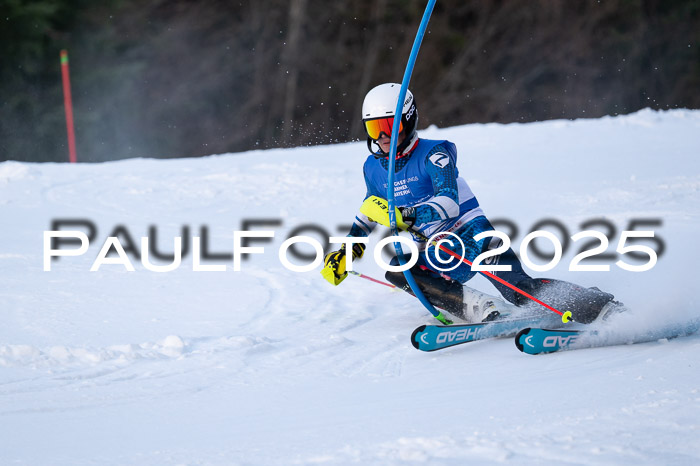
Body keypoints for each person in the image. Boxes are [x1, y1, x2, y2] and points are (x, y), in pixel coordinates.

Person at [321, 83, 620, 324]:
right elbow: (367, 213)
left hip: (473, 239)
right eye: (375, 129)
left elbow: (449, 202)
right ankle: (480, 308)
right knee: (401, 269)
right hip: (436, 251)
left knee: (521, 291)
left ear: (408, 120)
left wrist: (407, 215)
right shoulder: (373, 168)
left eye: (390, 126)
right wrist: (347, 252)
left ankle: (598, 304)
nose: (384, 137)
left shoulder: (434, 154)